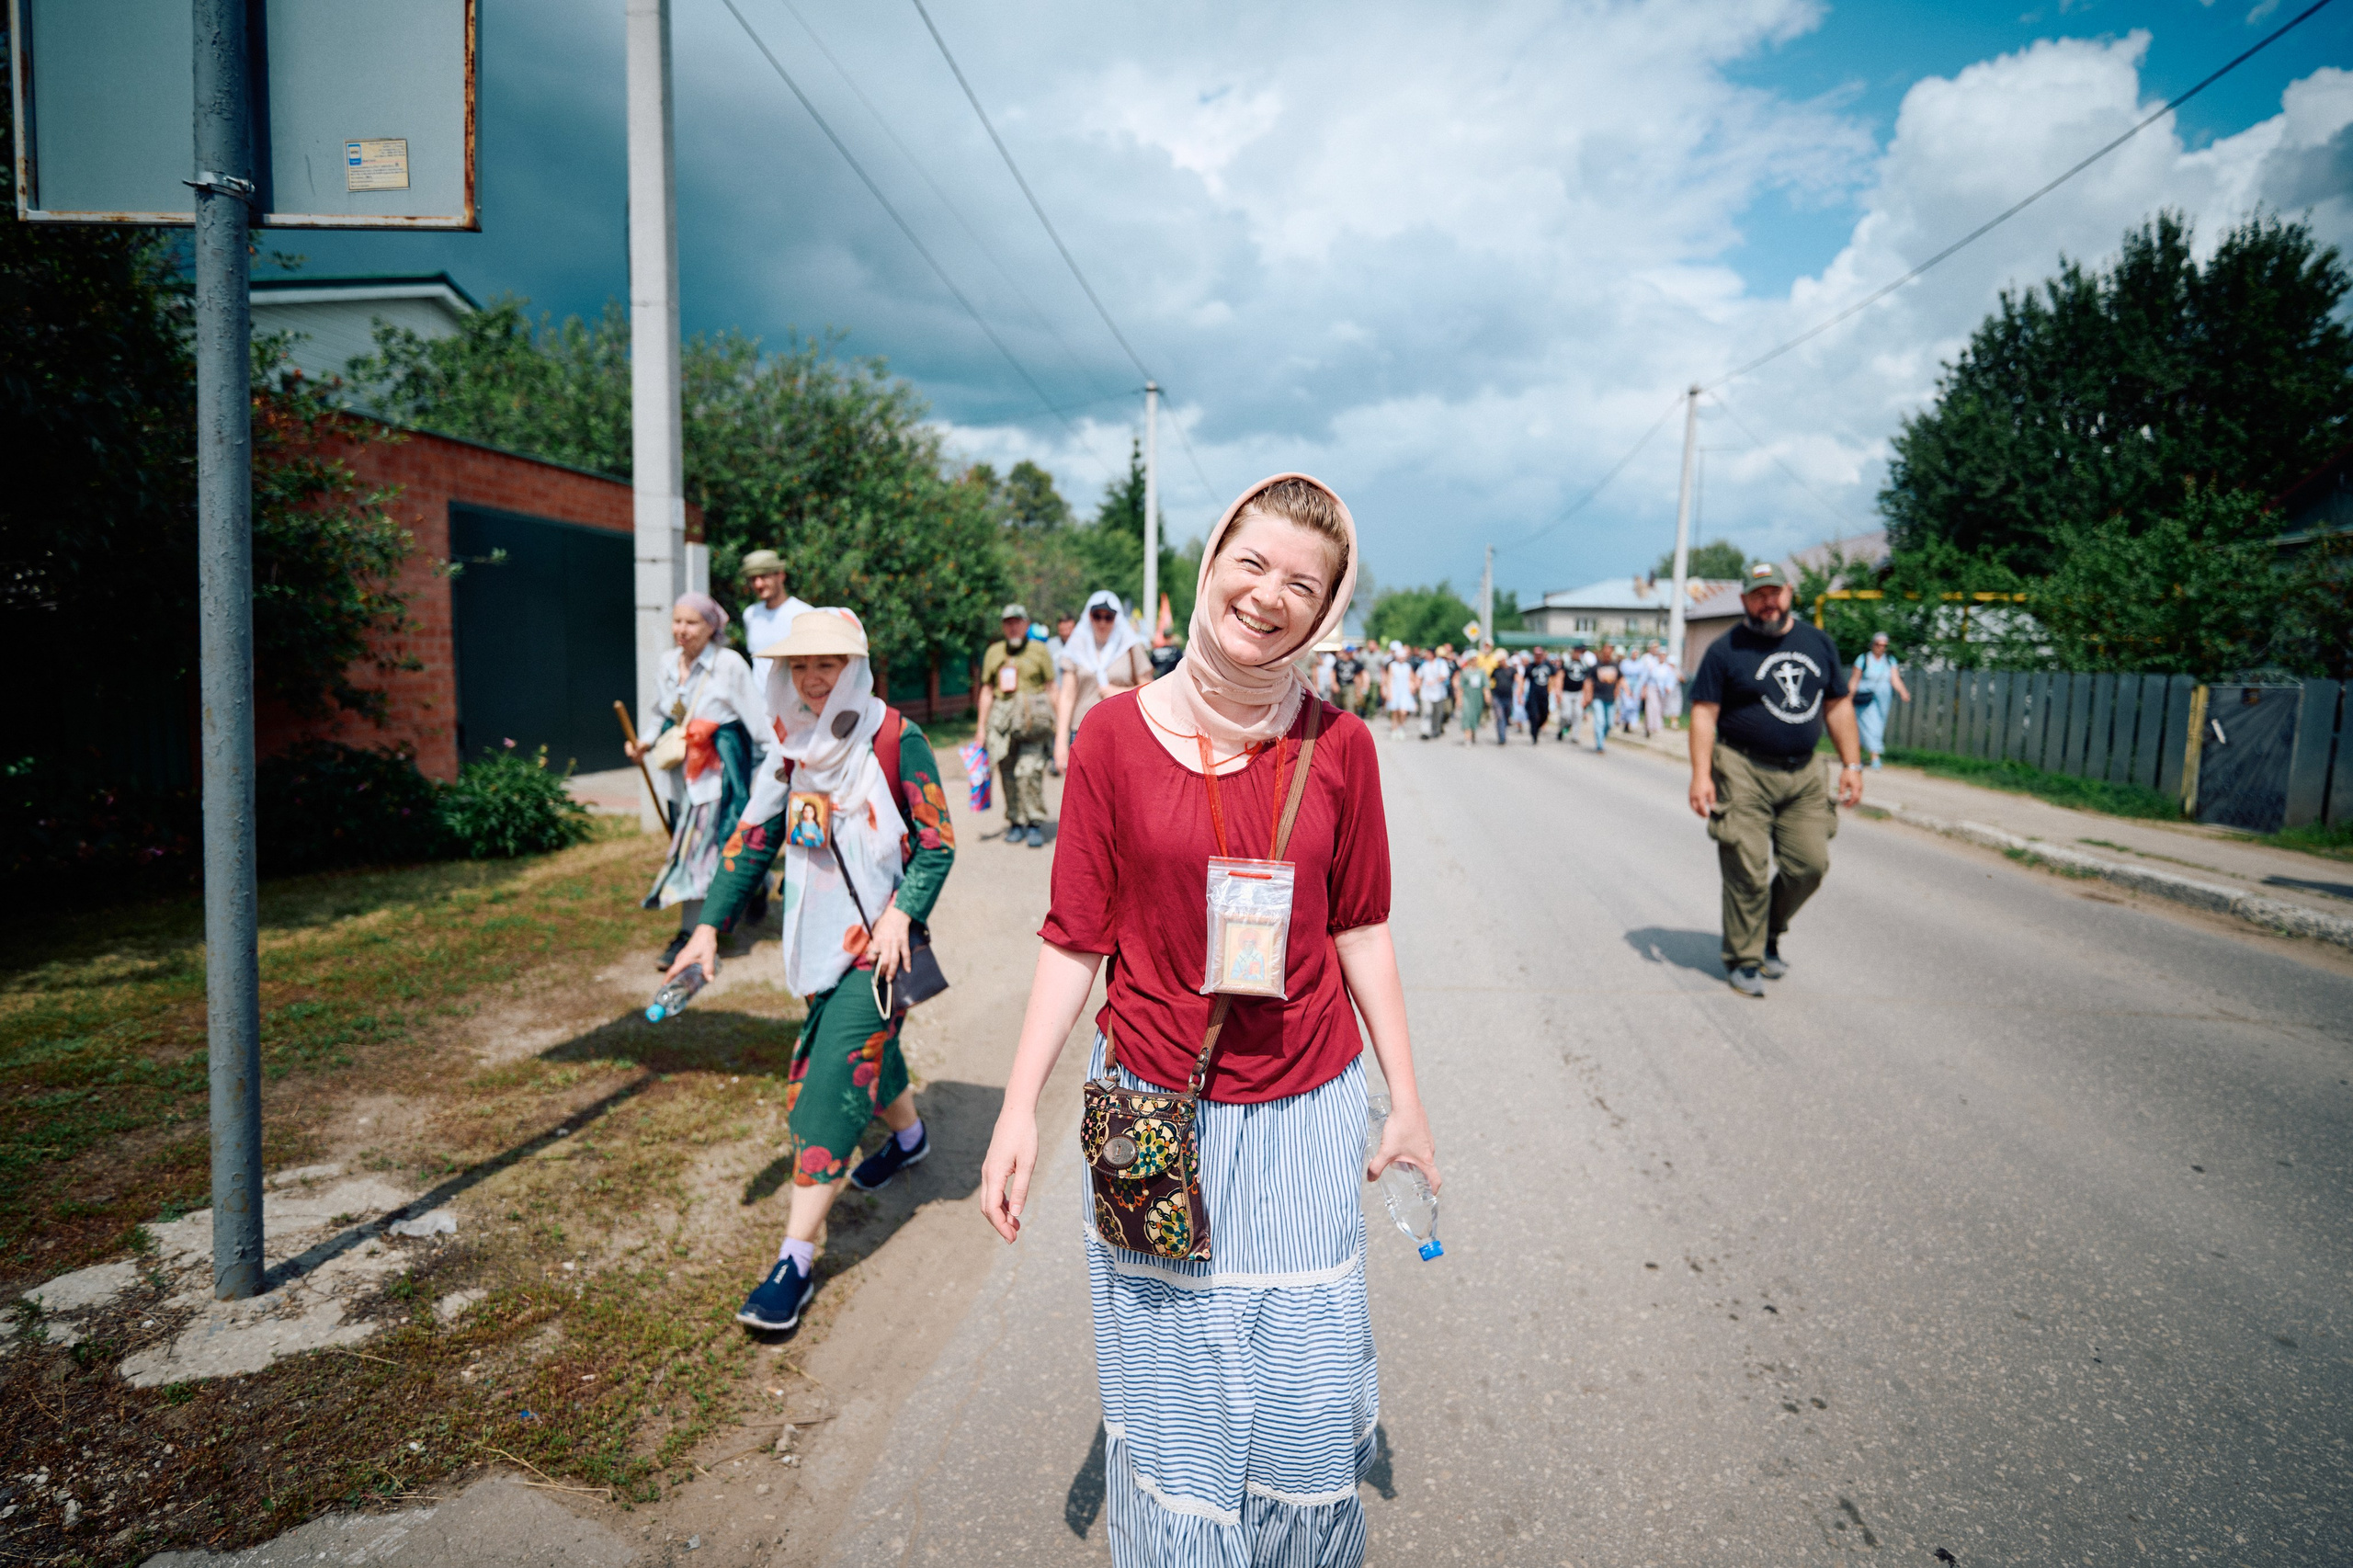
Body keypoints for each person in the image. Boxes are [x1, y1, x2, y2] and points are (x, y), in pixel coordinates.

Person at [979, 473, 1438, 1566]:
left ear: (1325, 611)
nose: (1270, 595)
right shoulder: (1110, 737)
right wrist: (1017, 1107)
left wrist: (1407, 1100)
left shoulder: (1341, 746)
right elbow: (1075, 938)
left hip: (1305, 1105)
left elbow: (1361, 925)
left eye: (1303, 584)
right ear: (1212, 562)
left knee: (1300, 1374)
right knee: (1175, 1368)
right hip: (1145, 1105)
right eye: (1253, 562)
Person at [663, 609, 958, 1332]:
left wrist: (902, 914)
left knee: (830, 1082)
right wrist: (707, 929)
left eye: (828, 663)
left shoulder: (895, 738)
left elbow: (938, 842)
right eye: (800, 666)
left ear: (855, 667)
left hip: (880, 949)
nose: (813, 678)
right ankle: (910, 1140)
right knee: (861, 1051)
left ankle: (793, 1261)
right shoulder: (790, 746)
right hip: (815, 944)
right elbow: (752, 839)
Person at [1687, 562, 1864, 999]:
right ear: (1744, 600)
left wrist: (1852, 765)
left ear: (1789, 593)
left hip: (1804, 772)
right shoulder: (1725, 650)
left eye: (1774, 592)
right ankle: (1744, 958)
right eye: (1757, 594)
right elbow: (1704, 714)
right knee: (1747, 868)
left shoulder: (1817, 643)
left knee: (1809, 865)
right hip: (1742, 768)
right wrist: (1701, 774)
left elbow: (1838, 705)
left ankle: (1767, 930)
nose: (1767, 602)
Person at [630, 594, 782, 968]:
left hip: (717, 781)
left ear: (712, 627)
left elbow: (760, 726)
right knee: (705, 853)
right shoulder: (668, 663)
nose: (681, 630)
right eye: (677, 621)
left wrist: (769, 777)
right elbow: (661, 712)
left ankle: (690, 935)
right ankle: (757, 883)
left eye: (691, 622)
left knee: (696, 858)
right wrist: (644, 742)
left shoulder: (728, 665)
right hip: (679, 777)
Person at [978, 603, 1059, 848]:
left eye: (1017, 622)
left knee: (1028, 772)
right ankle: (1015, 821)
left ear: (1026, 625)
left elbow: (1051, 687)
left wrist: (1059, 726)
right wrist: (981, 729)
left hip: (1034, 724)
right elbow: (987, 691)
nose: (1013, 627)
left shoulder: (1039, 651)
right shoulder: (994, 652)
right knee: (1007, 773)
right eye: (1008, 623)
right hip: (1002, 724)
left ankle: (1034, 822)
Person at [1055, 590, 1153, 770]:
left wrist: (1120, 692)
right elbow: (1067, 696)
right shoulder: (1076, 647)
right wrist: (1060, 742)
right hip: (1083, 730)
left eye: (1108, 617)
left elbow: (1150, 689)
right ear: (1088, 616)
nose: (1102, 622)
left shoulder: (1130, 646)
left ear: (1117, 618)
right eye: (1097, 616)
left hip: (1123, 732)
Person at [739, 549, 813, 686]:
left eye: (764, 576)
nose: (758, 584)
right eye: (753, 579)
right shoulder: (750, 614)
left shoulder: (803, 614)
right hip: (759, 698)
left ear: (781, 575)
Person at [1852, 631, 1911, 767]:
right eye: (1878, 644)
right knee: (1870, 724)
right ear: (1873, 644)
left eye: (1884, 645)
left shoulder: (1890, 660)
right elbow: (1855, 679)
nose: (1881, 647)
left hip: (1883, 699)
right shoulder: (1863, 659)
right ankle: (1875, 757)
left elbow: (1895, 679)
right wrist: (1848, 696)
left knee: (1877, 726)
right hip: (1866, 698)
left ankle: (1856, 756)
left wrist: (1903, 692)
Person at [1583, 645, 1622, 752]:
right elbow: (1588, 681)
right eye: (1605, 653)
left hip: (1611, 698)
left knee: (1609, 723)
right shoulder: (1596, 666)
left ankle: (1601, 737)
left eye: (1609, 653)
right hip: (1598, 697)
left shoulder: (1615, 665)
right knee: (1600, 721)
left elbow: (1620, 679)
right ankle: (1600, 744)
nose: (1607, 655)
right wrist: (1587, 695)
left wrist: (1619, 691)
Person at [1455, 642, 1489, 744]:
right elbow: (1461, 687)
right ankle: (1467, 738)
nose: (1474, 661)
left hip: (1477, 698)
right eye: (1472, 659)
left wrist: (1487, 695)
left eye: (1475, 659)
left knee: (1475, 716)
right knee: (1467, 716)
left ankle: (1473, 733)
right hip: (1467, 697)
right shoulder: (1465, 672)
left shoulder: (1481, 672)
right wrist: (1459, 699)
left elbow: (1485, 686)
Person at [1415, 645, 1452, 739]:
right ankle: (1425, 731)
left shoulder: (1440, 663)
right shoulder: (1424, 664)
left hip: (1438, 692)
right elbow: (1419, 676)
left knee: (1437, 713)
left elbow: (1444, 675)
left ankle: (1436, 729)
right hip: (1426, 693)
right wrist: (1417, 685)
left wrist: (1434, 681)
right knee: (1426, 711)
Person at [1382, 640, 1416, 738]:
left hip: (1405, 691)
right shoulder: (1392, 665)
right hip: (1395, 690)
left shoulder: (1407, 666)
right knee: (1394, 711)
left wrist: (1412, 686)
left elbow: (1411, 678)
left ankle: (1401, 727)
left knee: (1403, 711)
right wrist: (1389, 692)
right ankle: (1394, 729)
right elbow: (1389, 679)